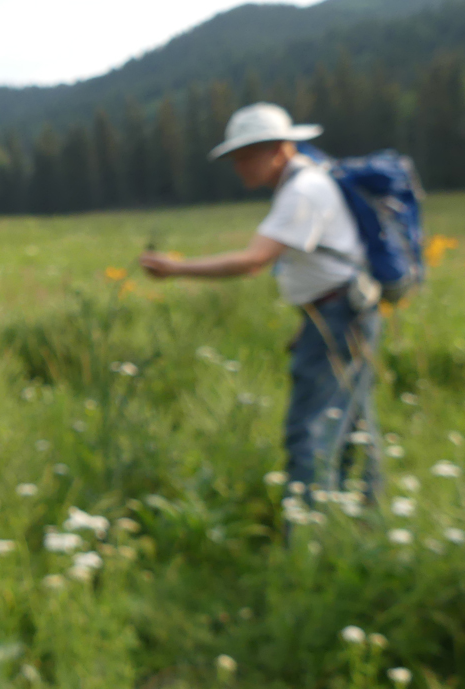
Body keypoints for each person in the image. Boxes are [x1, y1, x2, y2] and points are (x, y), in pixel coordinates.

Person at [139, 102, 383, 498]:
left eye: (247, 156)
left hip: (338, 317)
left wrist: (175, 269)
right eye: (236, 158)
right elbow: (324, 269)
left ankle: (305, 532)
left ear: (279, 149)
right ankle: (361, 519)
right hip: (339, 313)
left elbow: (254, 261)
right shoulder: (306, 183)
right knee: (353, 423)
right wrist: (308, 321)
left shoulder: (302, 191)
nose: (240, 167)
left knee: (310, 428)